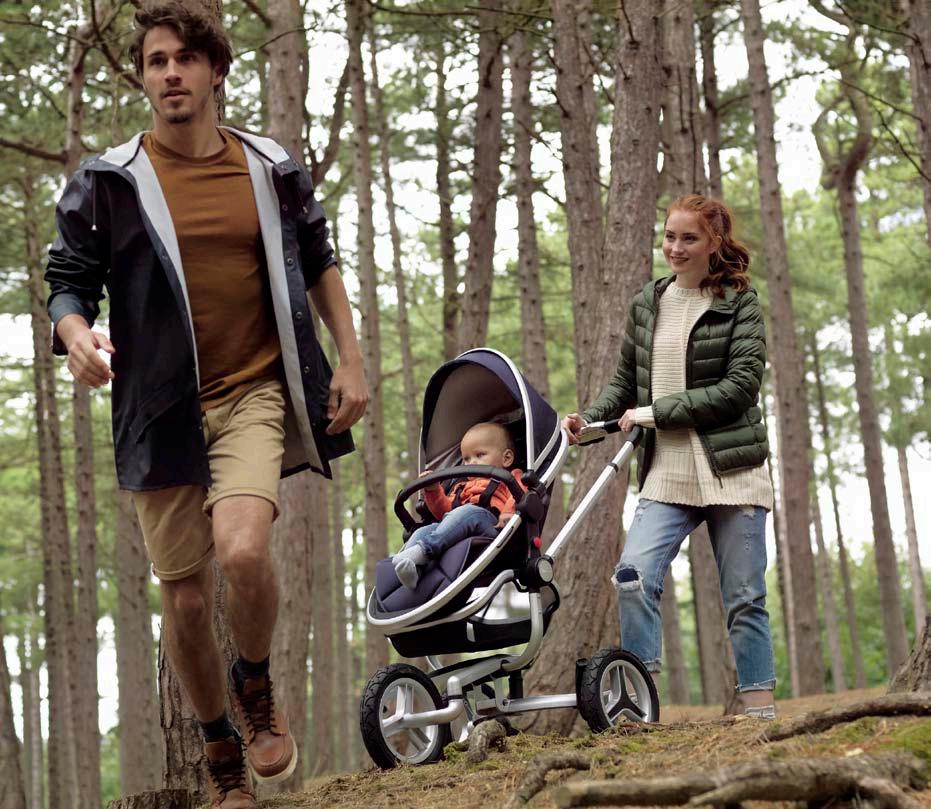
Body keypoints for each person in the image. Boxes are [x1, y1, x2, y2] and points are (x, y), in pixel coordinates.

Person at [44, 3, 368, 806]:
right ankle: (220, 745)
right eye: (156, 62)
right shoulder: (110, 180)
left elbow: (318, 258)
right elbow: (68, 283)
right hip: (157, 410)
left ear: (215, 70)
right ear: (143, 78)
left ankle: (254, 682)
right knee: (185, 595)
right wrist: (76, 335)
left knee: (245, 552)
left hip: (253, 390)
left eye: (185, 59)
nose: (170, 74)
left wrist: (352, 358)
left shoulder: (268, 165)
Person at [562, 194, 777, 719]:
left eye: (689, 238)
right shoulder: (648, 302)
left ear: (714, 242)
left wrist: (655, 413)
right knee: (632, 576)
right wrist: (588, 422)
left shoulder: (740, 302)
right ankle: (643, 707)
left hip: (734, 470)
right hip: (667, 473)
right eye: (669, 236)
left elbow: (740, 388)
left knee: (745, 597)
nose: (676, 248)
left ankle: (760, 716)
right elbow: (624, 384)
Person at [392, 422, 526, 589]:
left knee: (469, 512)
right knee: (424, 530)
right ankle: (412, 567)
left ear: (506, 458)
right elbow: (446, 514)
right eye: (466, 459)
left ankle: (422, 551)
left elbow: (520, 493)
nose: (471, 462)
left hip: (495, 529)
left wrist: (509, 513)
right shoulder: (461, 486)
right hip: (463, 530)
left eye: (480, 455)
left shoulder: (511, 476)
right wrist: (434, 490)